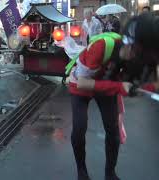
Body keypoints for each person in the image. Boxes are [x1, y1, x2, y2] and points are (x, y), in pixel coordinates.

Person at [67, 13, 159, 180]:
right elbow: (83, 83)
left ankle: (110, 173)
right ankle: (82, 171)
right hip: (81, 84)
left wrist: (136, 88)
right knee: (79, 128)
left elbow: (136, 82)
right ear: (132, 44)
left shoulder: (138, 57)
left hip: (105, 84)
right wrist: (119, 87)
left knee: (113, 130)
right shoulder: (102, 46)